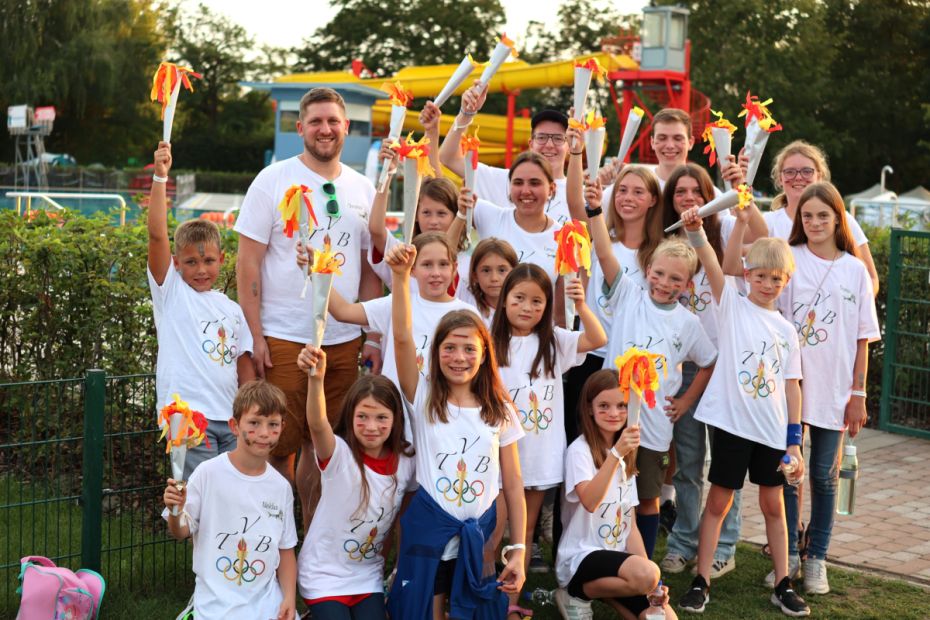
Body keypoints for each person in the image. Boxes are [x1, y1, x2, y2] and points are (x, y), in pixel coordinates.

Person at [235, 87, 383, 528]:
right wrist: (255, 335)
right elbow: (249, 264)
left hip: (343, 343)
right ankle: (271, 533)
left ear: (346, 128)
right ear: (300, 128)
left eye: (333, 121)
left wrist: (371, 334)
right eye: (316, 121)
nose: (325, 129)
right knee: (278, 443)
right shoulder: (273, 180)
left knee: (327, 447)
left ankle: (311, 534)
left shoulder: (362, 188)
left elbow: (369, 269)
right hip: (285, 338)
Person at [677, 206, 810, 617]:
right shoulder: (731, 305)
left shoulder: (788, 331)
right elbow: (717, 263)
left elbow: (792, 388)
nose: (768, 284)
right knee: (718, 503)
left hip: (772, 434)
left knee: (774, 507)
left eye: (776, 278)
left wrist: (794, 443)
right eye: (760, 276)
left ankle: (783, 583)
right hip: (734, 428)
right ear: (747, 274)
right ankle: (701, 580)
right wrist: (700, 231)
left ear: (785, 281)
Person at [385, 242, 527, 620]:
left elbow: (513, 484)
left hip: (479, 535)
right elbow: (402, 338)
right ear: (435, 353)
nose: (459, 358)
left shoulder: (500, 408)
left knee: (473, 611)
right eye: (449, 348)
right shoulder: (425, 395)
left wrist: (518, 550)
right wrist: (401, 280)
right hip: (429, 534)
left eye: (468, 349)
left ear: (484, 354)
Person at [585, 172, 718, 561]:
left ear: (687, 286)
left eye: (675, 279)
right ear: (647, 272)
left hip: (653, 429)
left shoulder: (688, 324)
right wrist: (595, 209)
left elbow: (708, 363)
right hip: (609, 416)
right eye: (658, 274)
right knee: (605, 488)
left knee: (646, 499)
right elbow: (606, 253)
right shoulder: (629, 294)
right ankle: (597, 550)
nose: (663, 283)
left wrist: (685, 401)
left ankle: (640, 560)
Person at [658, 164, 766, 579]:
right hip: (686, 369)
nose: (688, 198)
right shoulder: (667, 240)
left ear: (708, 194)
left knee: (726, 465)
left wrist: (741, 193)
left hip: (728, 371)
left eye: (696, 191)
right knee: (687, 462)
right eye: (680, 192)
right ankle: (684, 541)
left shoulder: (727, 236)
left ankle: (724, 544)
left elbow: (760, 235)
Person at [773, 181, 880, 594]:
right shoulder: (790, 260)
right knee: (789, 474)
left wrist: (859, 394)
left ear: (839, 218)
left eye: (823, 215)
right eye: (807, 216)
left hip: (836, 392)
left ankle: (817, 557)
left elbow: (862, 338)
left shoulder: (854, 269)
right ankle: (788, 558)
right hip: (791, 390)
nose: (814, 222)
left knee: (823, 475)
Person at [490, 263, 607, 618]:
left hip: (539, 454)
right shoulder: (490, 341)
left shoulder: (554, 340)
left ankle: (511, 601)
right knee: (494, 529)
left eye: (537, 301)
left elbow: (597, 338)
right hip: (499, 453)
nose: (527, 307)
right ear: (505, 300)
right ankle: (483, 593)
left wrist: (582, 305)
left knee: (522, 531)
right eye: (519, 298)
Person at [147, 141, 254, 479]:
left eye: (208, 261)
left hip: (231, 420)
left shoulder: (232, 309)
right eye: (191, 262)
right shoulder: (171, 293)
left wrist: (247, 414)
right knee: (199, 498)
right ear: (177, 264)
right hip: (189, 418)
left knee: (228, 494)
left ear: (222, 260)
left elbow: (244, 364)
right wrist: (161, 178)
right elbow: (156, 237)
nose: (201, 269)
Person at [295, 346, 416, 619]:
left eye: (381, 417)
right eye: (362, 416)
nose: (371, 426)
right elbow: (317, 423)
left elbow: (402, 518)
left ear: (396, 418)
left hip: (366, 575)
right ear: (350, 416)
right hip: (323, 574)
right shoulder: (339, 454)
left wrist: (397, 567)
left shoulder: (407, 461)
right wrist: (316, 380)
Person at [163, 380, 297, 620]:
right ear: (234, 426)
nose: (264, 433)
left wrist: (289, 597)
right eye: (254, 423)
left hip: (267, 604)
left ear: (282, 427)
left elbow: (285, 550)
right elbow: (180, 531)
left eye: (273, 424)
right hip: (217, 605)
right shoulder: (208, 473)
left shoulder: (281, 488)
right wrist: (176, 511)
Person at [554, 369, 677, 620]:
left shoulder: (625, 454)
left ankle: (614, 598)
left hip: (618, 561)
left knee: (663, 617)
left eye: (622, 405)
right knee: (644, 574)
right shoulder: (580, 451)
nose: (613, 413)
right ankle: (575, 593)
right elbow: (589, 501)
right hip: (581, 557)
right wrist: (616, 454)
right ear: (589, 408)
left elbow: (629, 526)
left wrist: (655, 584)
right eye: (604, 405)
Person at [312, 232, 478, 389]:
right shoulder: (397, 303)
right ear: (412, 269)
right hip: (396, 410)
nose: (436, 273)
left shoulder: (468, 313)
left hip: (439, 411)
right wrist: (316, 270)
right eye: (427, 265)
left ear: (454, 268)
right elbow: (343, 311)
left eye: (443, 264)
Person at [438, 83, 572, 226]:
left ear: (568, 146)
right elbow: (448, 157)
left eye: (558, 138)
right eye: (542, 137)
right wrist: (466, 113)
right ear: (531, 144)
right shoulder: (503, 180)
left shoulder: (578, 197)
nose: (550, 145)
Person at [765, 140, 879, 294]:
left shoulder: (842, 219)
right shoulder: (768, 223)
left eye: (807, 171)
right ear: (780, 178)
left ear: (819, 176)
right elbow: (742, 268)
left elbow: (871, 279)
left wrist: (852, 306)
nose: (798, 177)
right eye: (790, 172)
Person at [451, 152, 561, 286]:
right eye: (518, 182)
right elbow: (445, 252)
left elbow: (563, 301)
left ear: (551, 188)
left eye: (535, 183)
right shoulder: (488, 214)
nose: (525, 190)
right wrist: (461, 214)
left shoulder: (563, 239)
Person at [458, 237, 518, 327]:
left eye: (502, 270)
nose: (494, 278)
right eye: (486, 270)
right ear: (475, 276)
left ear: (514, 273)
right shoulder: (466, 299)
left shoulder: (523, 308)